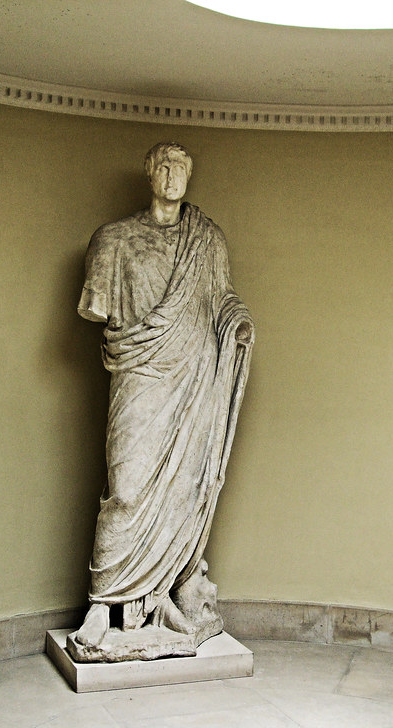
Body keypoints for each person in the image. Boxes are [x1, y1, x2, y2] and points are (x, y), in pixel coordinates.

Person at [71, 142, 253, 658]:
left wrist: (237, 324)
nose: (173, 176)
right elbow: (97, 309)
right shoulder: (114, 240)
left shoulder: (208, 241)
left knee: (183, 484)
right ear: (149, 173)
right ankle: (102, 604)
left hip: (192, 376)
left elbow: (222, 300)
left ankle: (163, 595)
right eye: (164, 166)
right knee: (125, 485)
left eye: (182, 168)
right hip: (140, 372)